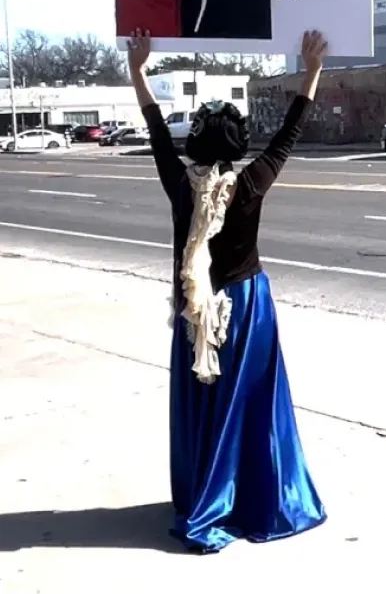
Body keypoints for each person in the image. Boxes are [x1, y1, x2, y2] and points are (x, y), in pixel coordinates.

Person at [127, 28, 328, 553]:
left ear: (194, 143)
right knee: (252, 404)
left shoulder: (178, 183)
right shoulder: (251, 183)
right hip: (246, 307)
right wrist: (311, 69)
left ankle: (206, 494)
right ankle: (251, 495)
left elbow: (154, 128)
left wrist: (139, 71)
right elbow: (289, 132)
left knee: (204, 401)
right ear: (239, 146)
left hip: (198, 310)